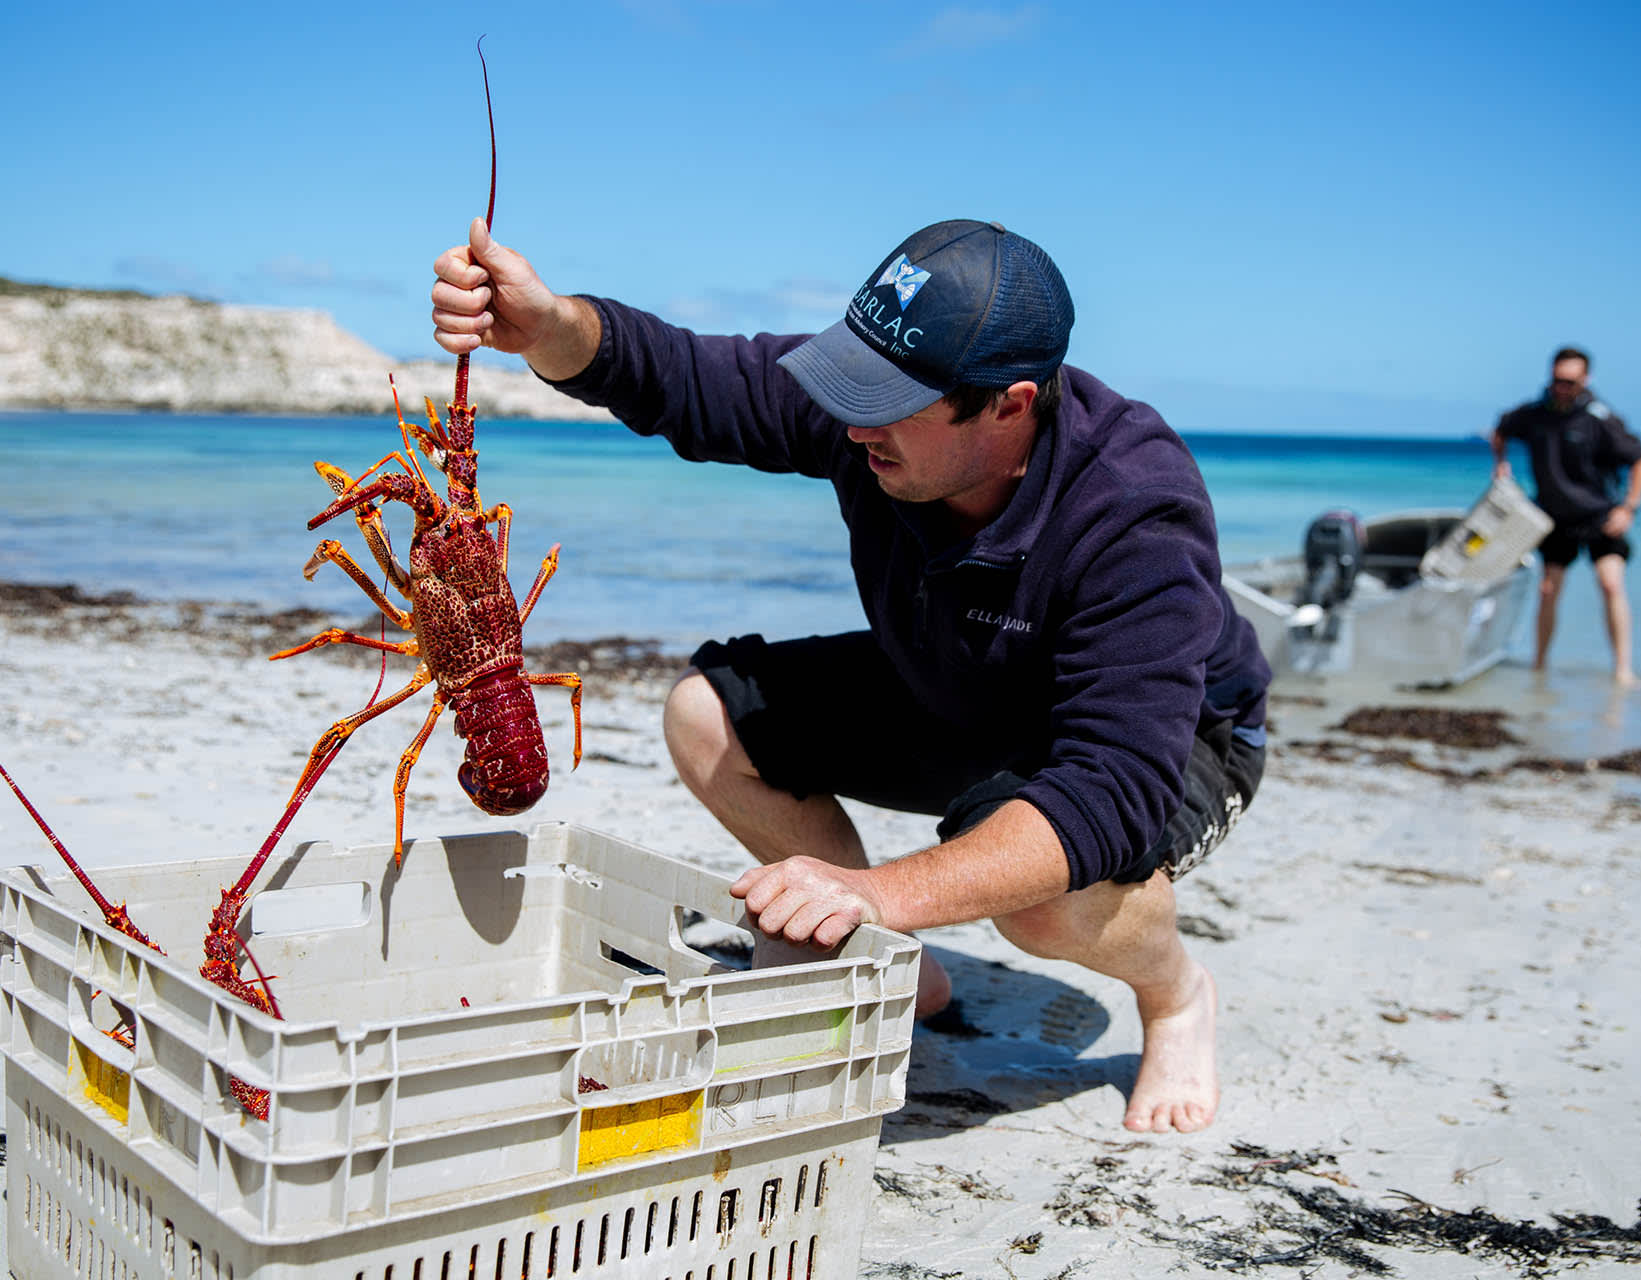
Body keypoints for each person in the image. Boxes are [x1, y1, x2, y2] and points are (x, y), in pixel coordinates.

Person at [430, 217, 1271, 1133]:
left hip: (1168, 738)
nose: (854, 418)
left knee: (1044, 904)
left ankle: (1177, 994)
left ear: (1009, 404)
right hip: (956, 679)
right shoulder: (872, 413)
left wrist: (874, 890)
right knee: (706, 716)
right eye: (850, 383)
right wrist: (550, 327)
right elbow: (691, 380)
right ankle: (893, 965)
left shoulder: (1135, 507)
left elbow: (1113, 789)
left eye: (885, 399)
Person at [1490, 347, 1641, 686]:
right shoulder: (1534, 414)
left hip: (1600, 516)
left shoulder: (1599, 417)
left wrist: (1629, 507)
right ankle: (1539, 666)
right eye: (1556, 381)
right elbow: (1500, 430)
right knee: (1548, 591)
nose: (1561, 387)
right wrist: (1501, 464)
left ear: (1584, 380)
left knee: (1611, 584)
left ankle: (1623, 669)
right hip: (1553, 518)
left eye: (1569, 381)